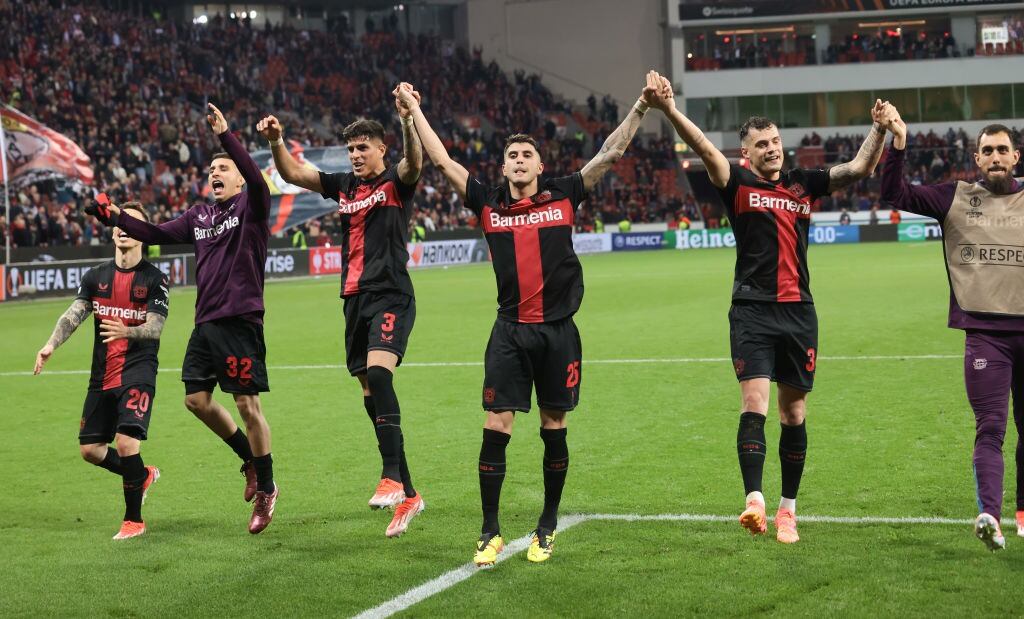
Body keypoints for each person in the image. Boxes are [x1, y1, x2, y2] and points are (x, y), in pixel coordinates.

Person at [396, 70, 670, 565]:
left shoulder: (565, 193)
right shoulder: (487, 203)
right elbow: (440, 159)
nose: (519, 162)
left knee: (552, 424)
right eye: (511, 157)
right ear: (503, 169)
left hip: (558, 333)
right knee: (496, 423)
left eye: (526, 155)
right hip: (509, 332)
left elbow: (609, 153)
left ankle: (546, 525)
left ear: (540, 165)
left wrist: (642, 106)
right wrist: (413, 111)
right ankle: (489, 530)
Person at [662, 79, 891, 543]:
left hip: (798, 312)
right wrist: (668, 108)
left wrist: (879, 128)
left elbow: (861, 166)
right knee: (754, 403)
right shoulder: (736, 183)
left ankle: (788, 509)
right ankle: (755, 501)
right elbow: (703, 146)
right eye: (761, 144)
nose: (771, 149)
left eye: (775, 142)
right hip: (751, 310)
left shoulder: (804, 184)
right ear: (746, 153)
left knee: (794, 412)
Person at [87, 104, 279, 534]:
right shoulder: (199, 216)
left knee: (248, 405)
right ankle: (248, 460)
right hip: (206, 324)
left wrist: (226, 135)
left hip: (241, 321)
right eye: (212, 168)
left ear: (238, 176)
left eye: (223, 167)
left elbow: (256, 176)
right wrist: (113, 216)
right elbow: (154, 234)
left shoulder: (253, 206)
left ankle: (267, 487)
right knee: (196, 400)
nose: (215, 172)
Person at [256, 95, 425, 538]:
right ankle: (408, 493)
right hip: (352, 299)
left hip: (390, 293)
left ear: (380, 149)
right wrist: (277, 143)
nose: (355, 155)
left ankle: (391, 476)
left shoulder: (395, 182)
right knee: (370, 389)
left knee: (380, 375)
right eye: (351, 149)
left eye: (363, 147)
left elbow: (415, 162)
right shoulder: (343, 186)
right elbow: (293, 173)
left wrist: (408, 121)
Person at [881, 117, 1024, 550]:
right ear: (976, 158)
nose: (995, 157)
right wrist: (899, 143)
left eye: (1003, 149)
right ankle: (990, 516)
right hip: (985, 335)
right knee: (991, 427)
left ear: (1016, 156)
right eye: (988, 151)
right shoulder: (955, 197)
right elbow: (893, 193)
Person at [34, 203, 168, 540]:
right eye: (119, 222)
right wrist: (51, 344)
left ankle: (133, 521)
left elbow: (156, 326)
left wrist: (127, 330)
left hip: (138, 371)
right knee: (91, 450)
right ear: (112, 231)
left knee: (125, 443)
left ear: (143, 234)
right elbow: (75, 313)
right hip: (102, 374)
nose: (123, 228)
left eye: (132, 223)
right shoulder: (96, 276)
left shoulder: (154, 278)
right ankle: (142, 475)